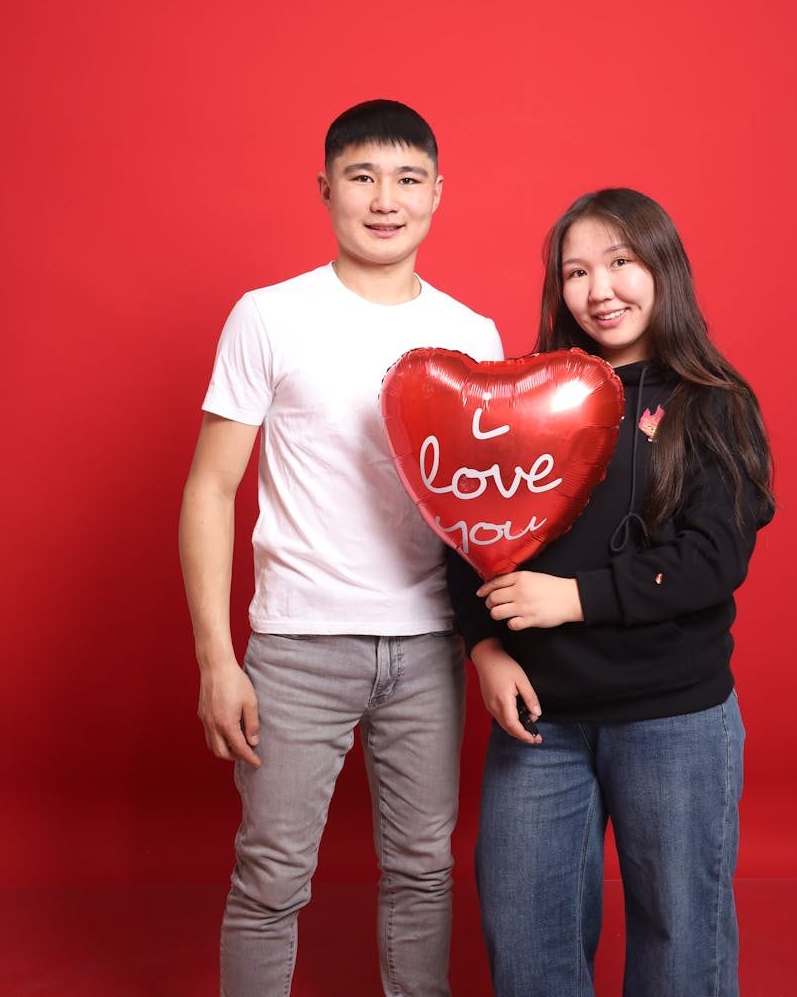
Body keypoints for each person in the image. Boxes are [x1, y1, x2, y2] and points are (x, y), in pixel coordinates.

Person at [179, 99, 503, 997]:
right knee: (271, 877)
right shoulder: (269, 316)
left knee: (423, 872)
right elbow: (210, 488)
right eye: (363, 177)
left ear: (439, 193)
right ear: (326, 190)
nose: (385, 198)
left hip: (429, 646)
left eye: (407, 179)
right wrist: (217, 659)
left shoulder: (474, 336)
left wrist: (495, 640)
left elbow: (488, 513)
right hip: (294, 646)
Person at [447, 188, 774, 997]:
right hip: (541, 722)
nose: (601, 290)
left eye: (621, 262)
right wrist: (482, 647)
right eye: (577, 271)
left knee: (681, 943)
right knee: (526, 943)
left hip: (675, 719)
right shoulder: (523, 397)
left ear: (664, 268)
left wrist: (574, 598)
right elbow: (463, 529)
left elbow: (712, 557)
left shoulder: (716, 404)